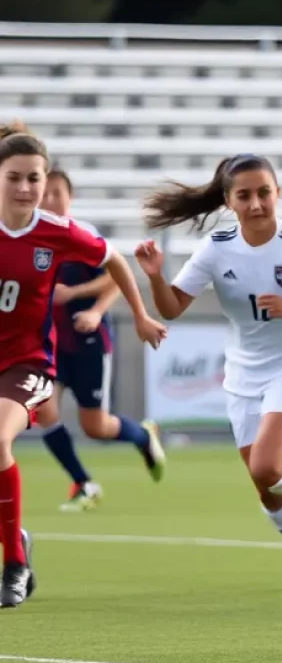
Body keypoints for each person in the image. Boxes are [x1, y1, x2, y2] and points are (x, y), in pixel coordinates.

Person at [135, 154, 282, 593]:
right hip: (244, 373)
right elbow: (172, 306)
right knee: (262, 481)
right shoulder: (217, 248)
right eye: (245, 196)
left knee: (267, 464)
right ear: (229, 202)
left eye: (264, 193)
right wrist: (157, 277)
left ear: (278, 193)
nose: (256, 203)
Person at [0, 123, 166, 607]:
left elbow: (116, 261)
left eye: (36, 178)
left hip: (26, 364)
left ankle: (14, 563)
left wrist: (139, 315)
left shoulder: (56, 233)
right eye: (16, 177)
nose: (28, 188)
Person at [35, 167, 166, 511]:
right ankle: (84, 483)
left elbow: (115, 277)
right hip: (51, 344)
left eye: (57, 192)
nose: (49, 199)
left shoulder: (80, 235)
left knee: (95, 426)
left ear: (70, 197)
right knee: (44, 410)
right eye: (44, 192)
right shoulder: (31, 236)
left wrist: (91, 309)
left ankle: (142, 435)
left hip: (89, 342)